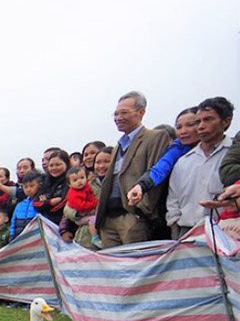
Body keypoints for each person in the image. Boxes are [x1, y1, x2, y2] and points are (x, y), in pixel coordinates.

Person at [95, 91, 172, 247]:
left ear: (141, 112)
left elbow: (155, 173)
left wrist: (141, 211)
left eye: (124, 113)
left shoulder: (155, 137)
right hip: (109, 217)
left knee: (133, 264)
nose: (118, 118)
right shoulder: (118, 146)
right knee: (112, 267)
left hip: (133, 216)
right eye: (115, 114)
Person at [166, 97, 234, 239]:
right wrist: (174, 224)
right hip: (186, 232)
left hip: (227, 231)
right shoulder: (183, 162)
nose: (201, 126)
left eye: (208, 120)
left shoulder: (233, 155)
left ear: (226, 121)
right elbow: (173, 199)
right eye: (198, 121)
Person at [126, 107, 199, 207]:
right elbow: (160, 168)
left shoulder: (224, 149)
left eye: (190, 125)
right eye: (179, 127)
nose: (183, 131)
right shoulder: (177, 149)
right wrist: (141, 186)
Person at [64, 166, 100, 245]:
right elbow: (67, 210)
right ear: (69, 184)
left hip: (107, 227)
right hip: (85, 232)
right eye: (75, 180)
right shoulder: (73, 193)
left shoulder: (88, 186)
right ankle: (95, 237)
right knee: (92, 220)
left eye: (82, 178)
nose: (79, 181)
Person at [33, 150, 69, 225]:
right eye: (51, 165)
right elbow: (35, 203)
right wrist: (50, 202)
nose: (54, 168)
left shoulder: (69, 181)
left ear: (66, 164)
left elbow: (64, 203)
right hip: (48, 224)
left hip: (66, 223)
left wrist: (45, 205)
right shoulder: (46, 182)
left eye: (58, 165)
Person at [10, 170, 42, 240]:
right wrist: (11, 236)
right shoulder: (19, 205)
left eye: (31, 186)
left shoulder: (42, 203)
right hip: (19, 239)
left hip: (36, 238)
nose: (28, 189)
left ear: (40, 185)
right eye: (25, 187)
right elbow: (13, 222)